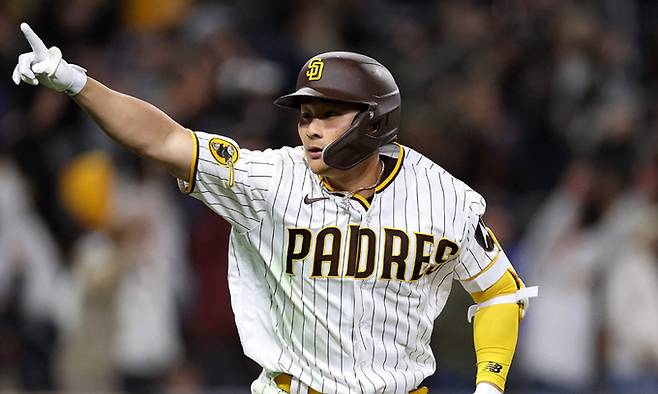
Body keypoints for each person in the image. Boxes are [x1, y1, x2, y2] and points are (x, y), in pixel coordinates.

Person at [12, 23, 537, 394]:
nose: (310, 127)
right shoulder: (269, 180)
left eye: (329, 114)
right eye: (305, 114)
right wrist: (77, 83)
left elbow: (500, 292)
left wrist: (488, 387)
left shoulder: (441, 196)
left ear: (375, 121)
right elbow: (165, 140)